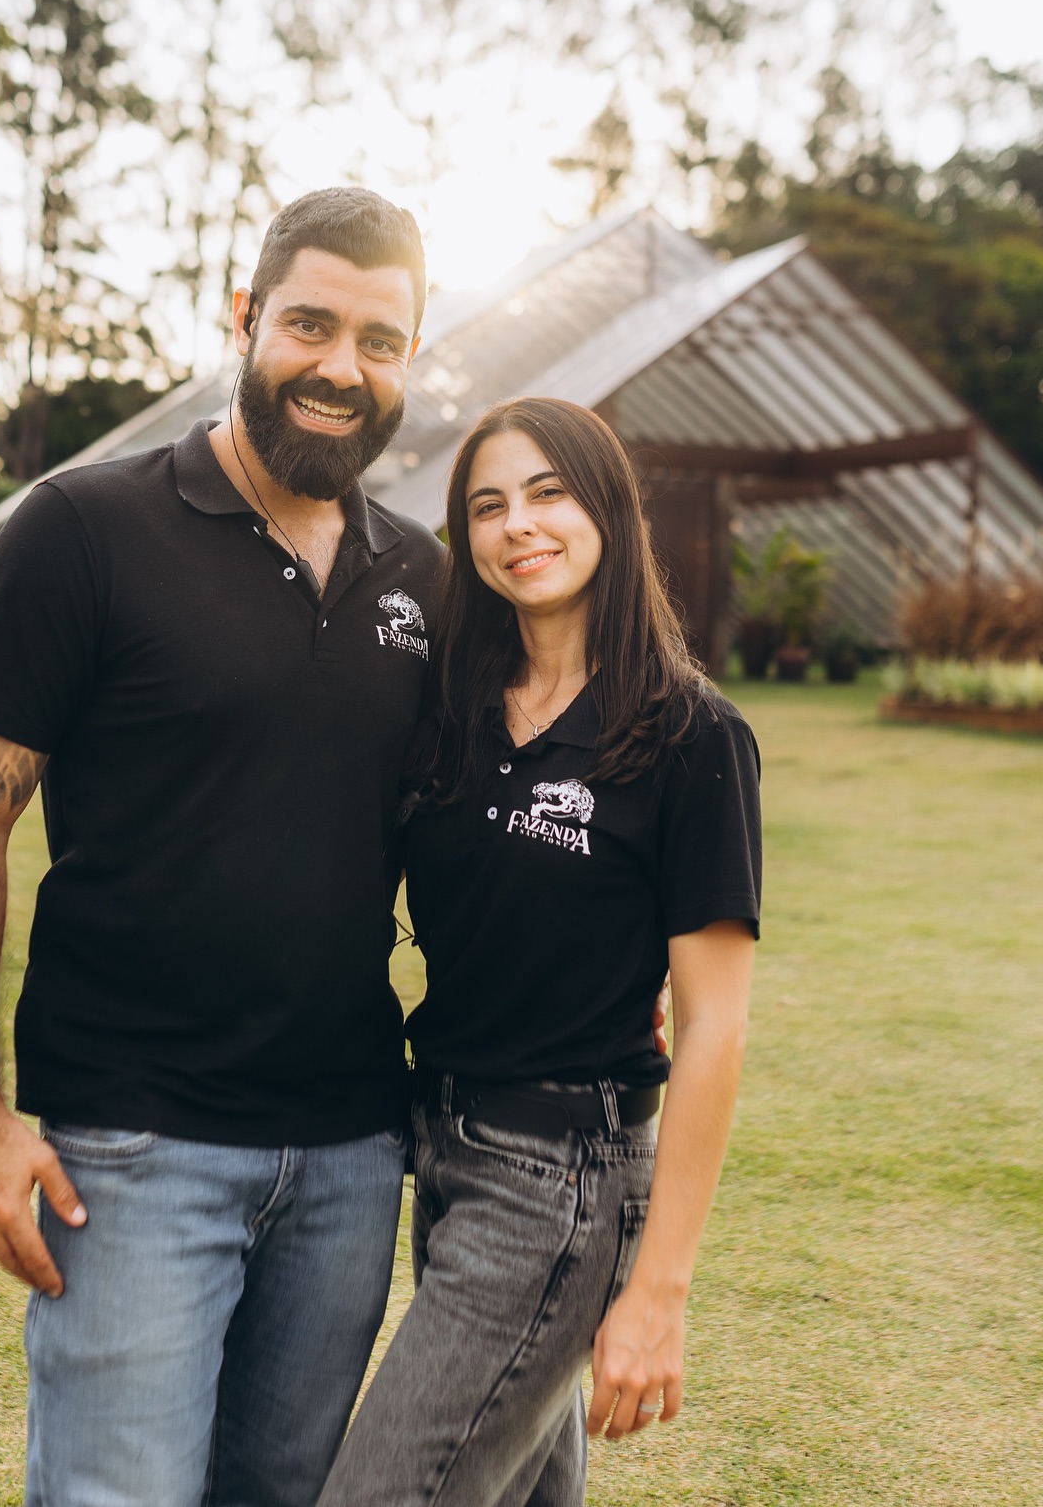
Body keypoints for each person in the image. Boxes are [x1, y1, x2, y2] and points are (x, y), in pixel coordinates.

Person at [0, 187, 446, 1507]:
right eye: (310, 323)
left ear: (409, 361)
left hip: (349, 1155)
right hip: (133, 1155)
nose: (339, 365)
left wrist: (630, 966)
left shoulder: (425, 579)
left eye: (380, 340)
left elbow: (480, 834)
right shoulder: (87, 528)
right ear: (246, 317)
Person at [319, 396, 761, 1507]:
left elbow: (714, 1022)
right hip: (447, 1149)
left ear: (608, 506)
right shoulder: (455, 714)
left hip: (564, 1177)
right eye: (487, 504)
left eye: (548, 491)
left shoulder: (689, 735)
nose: (519, 524)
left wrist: (659, 1287)